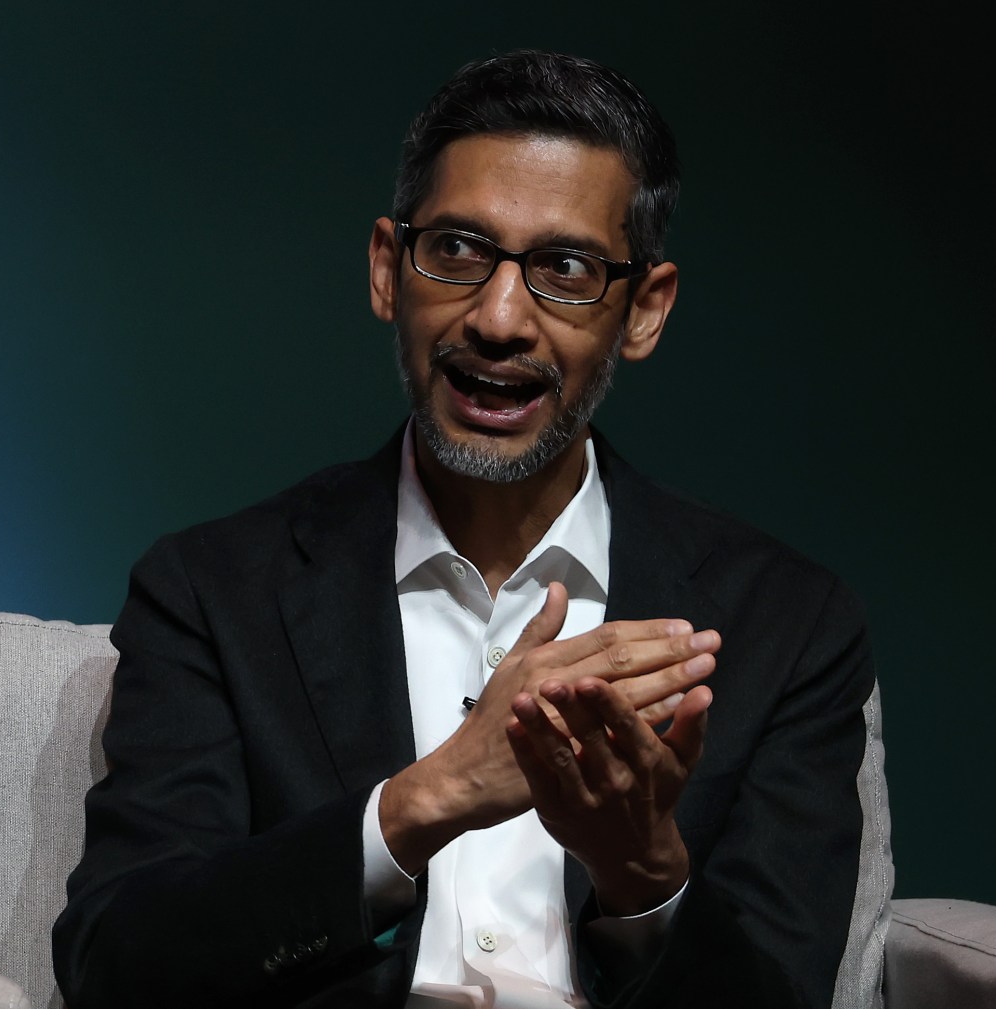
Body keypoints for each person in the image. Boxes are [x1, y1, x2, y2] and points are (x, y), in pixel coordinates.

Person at [53, 50, 885, 1009]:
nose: (498, 318)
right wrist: (426, 799)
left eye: (564, 269)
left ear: (644, 311)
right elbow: (118, 967)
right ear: (386, 270)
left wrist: (644, 875)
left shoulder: (785, 624)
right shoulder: (212, 591)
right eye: (455, 250)